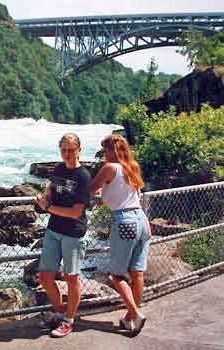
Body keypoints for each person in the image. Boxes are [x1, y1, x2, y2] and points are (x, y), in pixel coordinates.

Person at [90, 134, 151, 333]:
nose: (103, 156)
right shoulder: (132, 166)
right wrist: (104, 198)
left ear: (110, 150)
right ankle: (130, 317)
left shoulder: (109, 168)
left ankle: (136, 313)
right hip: (141, 220)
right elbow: (125, 194)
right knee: (137, 272)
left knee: (117, 275)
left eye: (105, 151)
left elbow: (89, 190)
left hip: (124, 221)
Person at [36, 133, 91, 338]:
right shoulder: (58, 169)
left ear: (79, 150)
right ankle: (59, 312)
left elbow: (76, 212)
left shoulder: (83, 176)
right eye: (64, 150)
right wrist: (45, 195)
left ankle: (69, 320)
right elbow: (51, 187)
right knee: (45, 276)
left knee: (71, 278)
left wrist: (48, 207)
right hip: (53, 231)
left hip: (73, 234)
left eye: (71, 149)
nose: (67, 154)